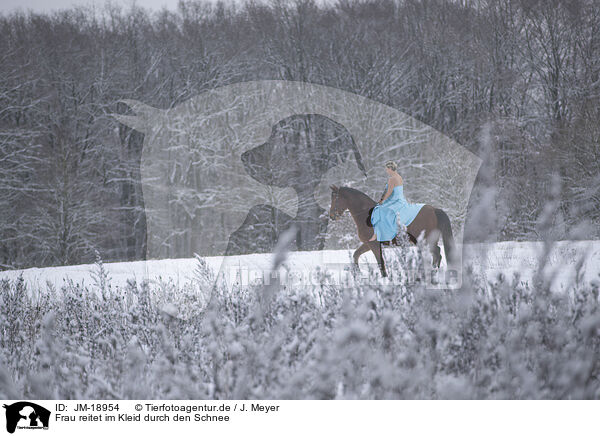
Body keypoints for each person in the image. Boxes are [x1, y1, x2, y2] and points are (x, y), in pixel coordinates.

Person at [369, 160, 424, 241]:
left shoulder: (392, 179)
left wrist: (382, 200)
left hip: (394, 200)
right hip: (400, 199)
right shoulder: (399, 177)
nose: (386, 171)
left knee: (378, 210)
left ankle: (378, 234)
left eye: (387, 169)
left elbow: (389, 192)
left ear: (390, 168)